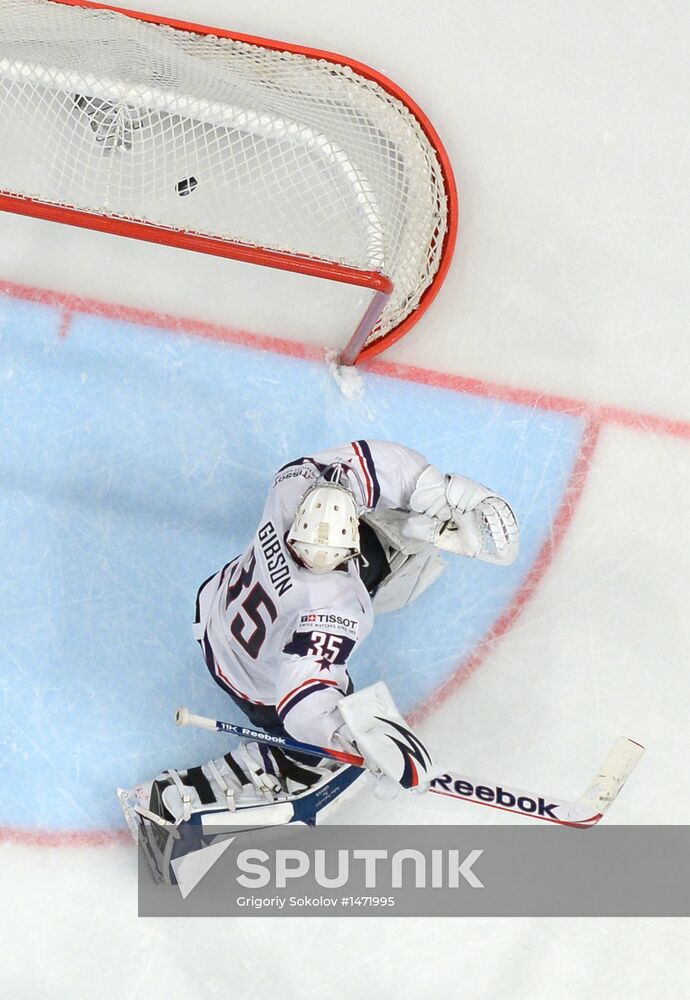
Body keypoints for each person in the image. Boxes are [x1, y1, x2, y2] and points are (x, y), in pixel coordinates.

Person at [119, 440, 518, 877]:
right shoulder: (337, 607)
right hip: (254, 684)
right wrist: (357, 740)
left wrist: (439, 495)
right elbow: (303, 700)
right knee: (323, 759)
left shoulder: (291, 487)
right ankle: (168, 806)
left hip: (214, 614)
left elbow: (358, 466)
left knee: (402, 528)